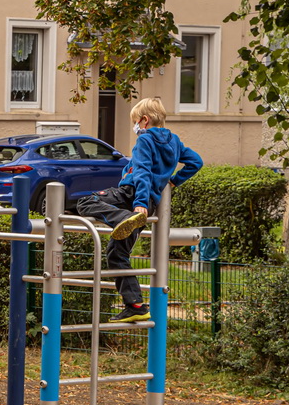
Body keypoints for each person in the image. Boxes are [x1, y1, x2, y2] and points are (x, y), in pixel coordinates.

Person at [75, 97, 203, 323]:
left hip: (131, 196)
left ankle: (124, 218)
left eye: (135, 121)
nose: (134, 127)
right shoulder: (174, 141)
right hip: (149, 203)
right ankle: (135, 305)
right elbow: (196, 161)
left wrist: (139, 205)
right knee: (117, 254)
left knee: (85, 202)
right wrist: (173, 182)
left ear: (144, 120)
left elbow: (142, 171)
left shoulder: (145, 140)